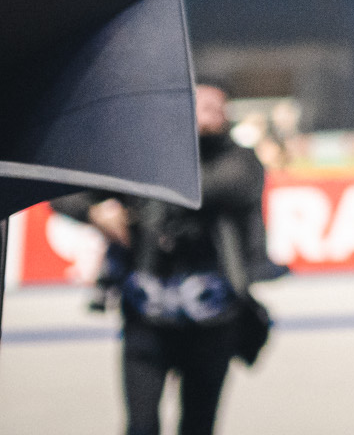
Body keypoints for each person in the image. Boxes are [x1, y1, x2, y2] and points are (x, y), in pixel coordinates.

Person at [58, 83, 272, 435]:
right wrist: (95, 210)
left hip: (215, 320)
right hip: (147, 318)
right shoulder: (142, 158)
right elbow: (66, 195)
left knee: (199, 424)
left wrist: (137, 182)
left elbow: (208, 188)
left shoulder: (240, 160)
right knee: (140, 426)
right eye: (201, 105)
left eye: (218, 107)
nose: (211, 112)